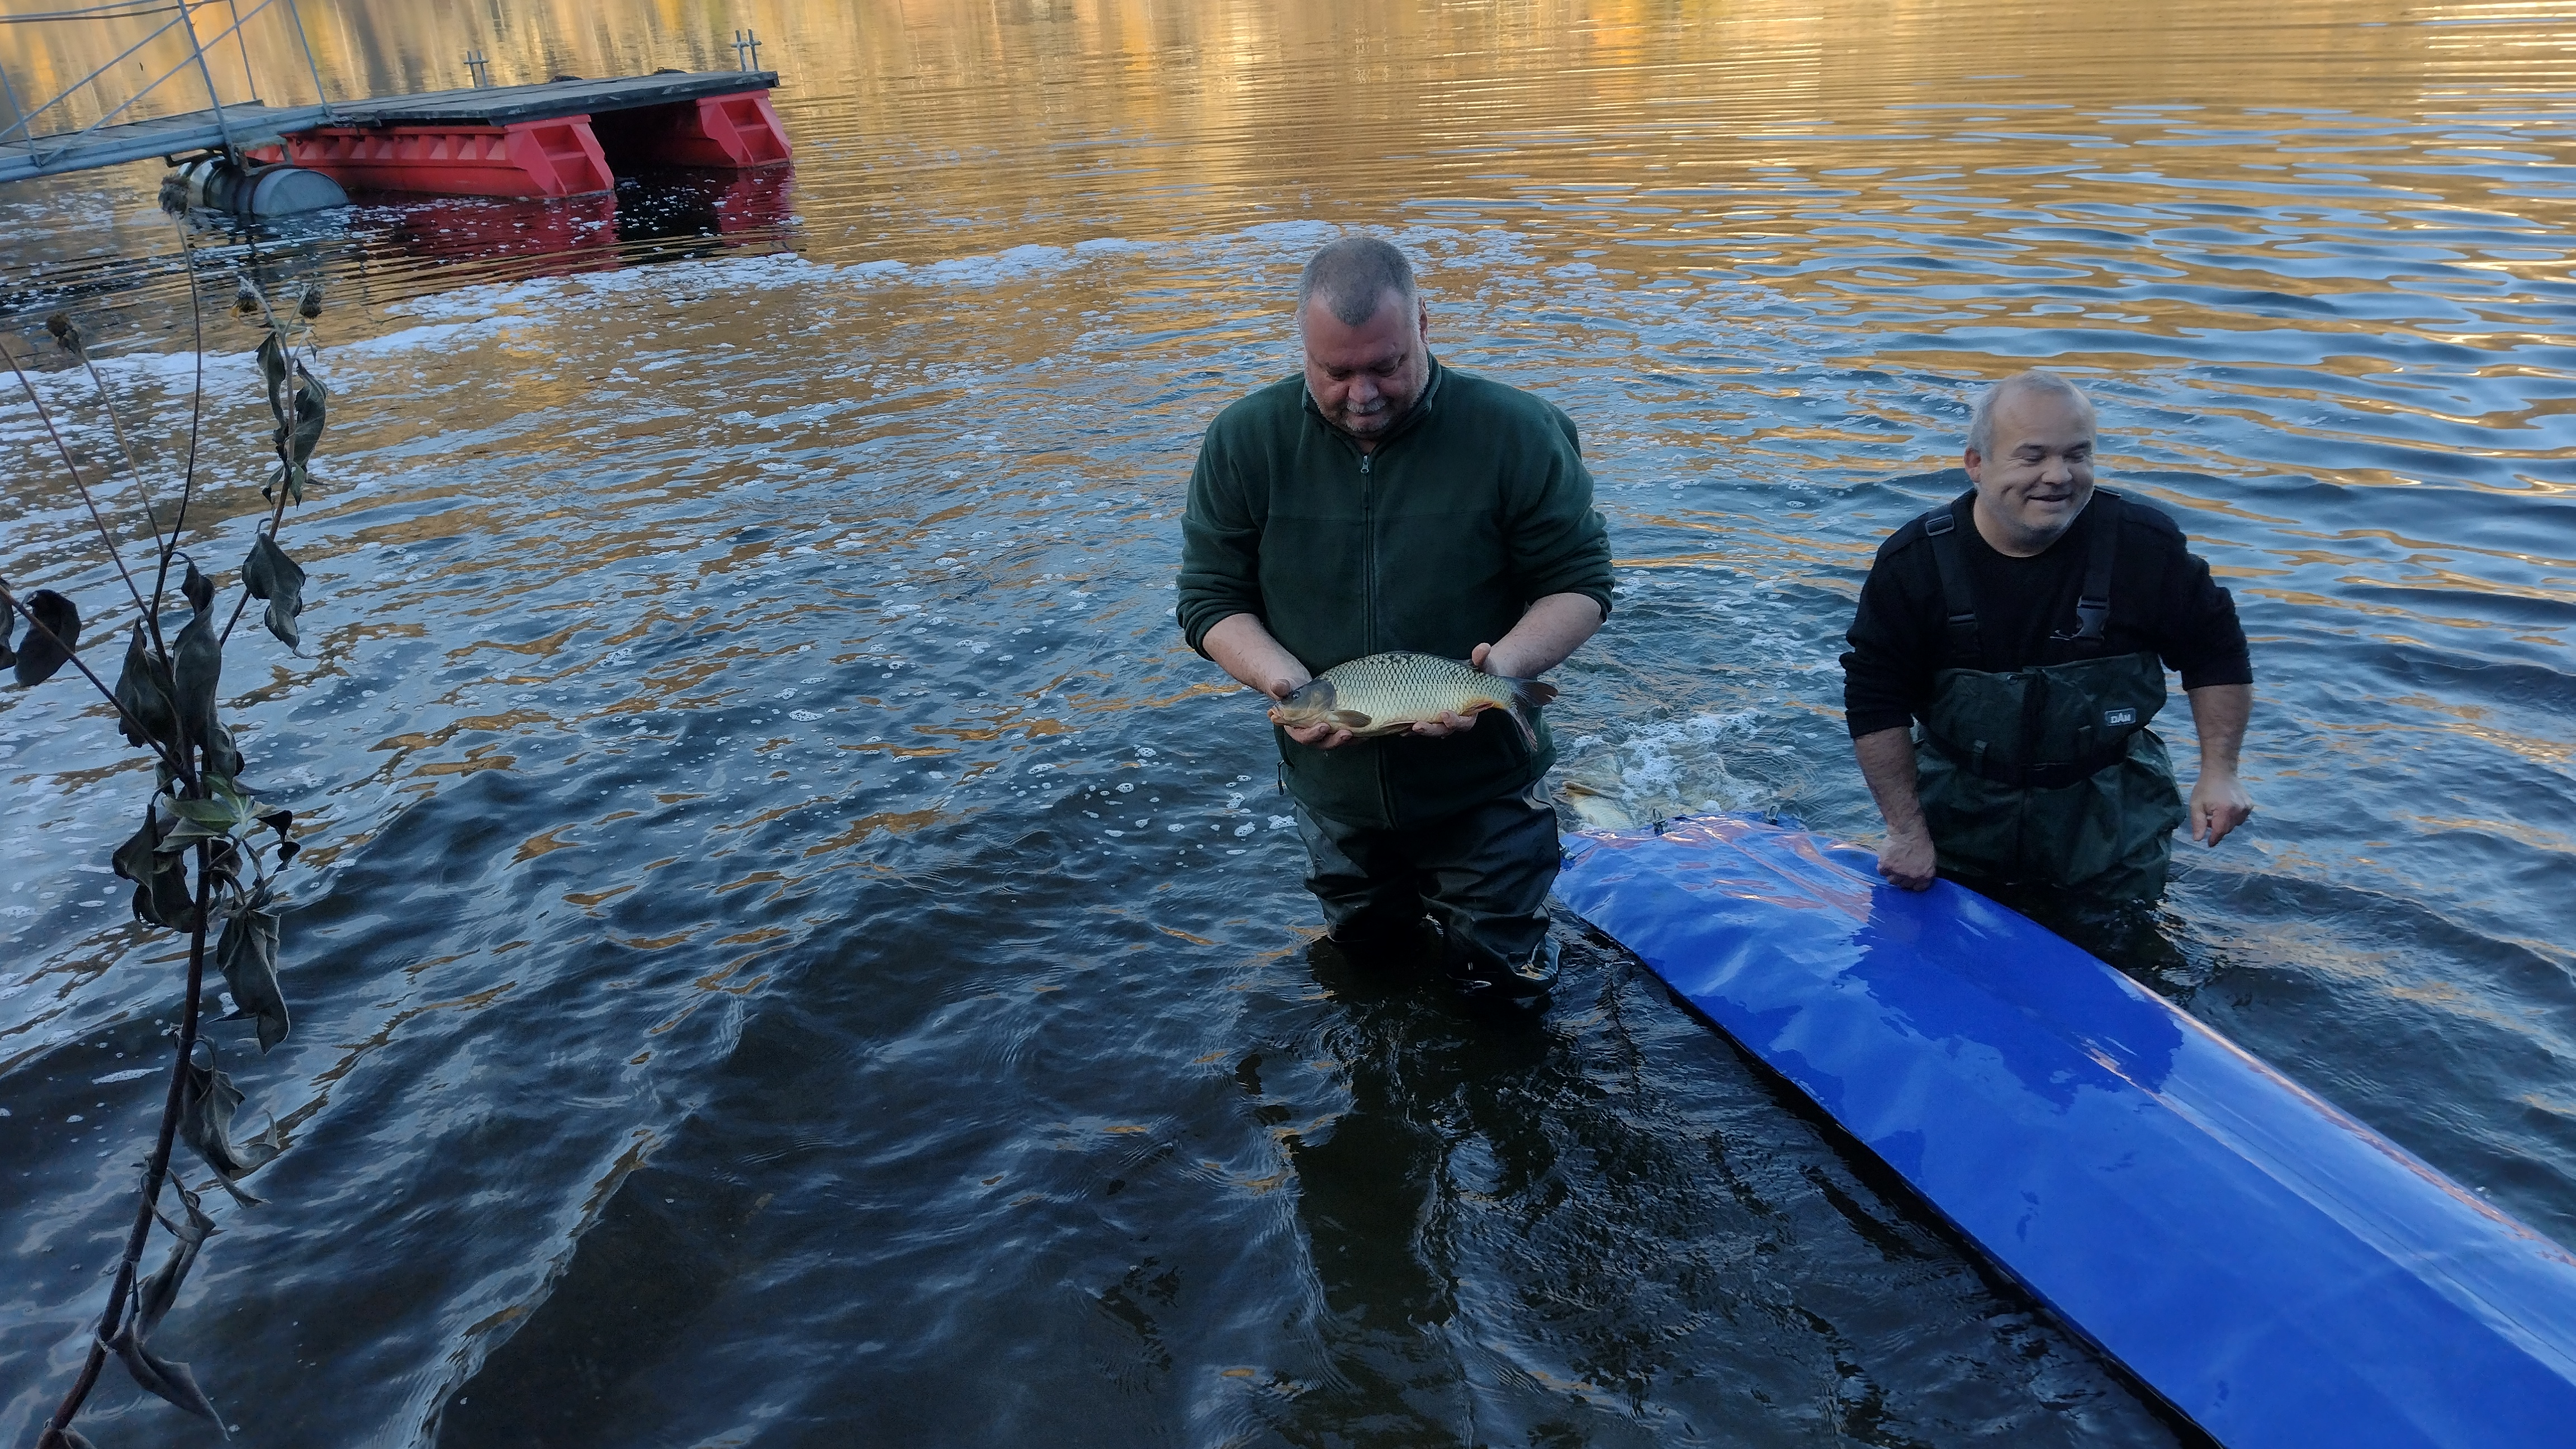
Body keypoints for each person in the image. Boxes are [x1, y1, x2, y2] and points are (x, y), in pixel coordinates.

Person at [1176, 236, 1613, 1006]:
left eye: (1386, 366)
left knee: (1502, 988)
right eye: (1335, 373)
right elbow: (1211, 600)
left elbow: (1579, 586)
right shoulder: (1245, 442)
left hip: (1482, 788)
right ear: (1303, 349)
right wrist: (1288, 687)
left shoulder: (1519, 431)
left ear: (1425, 328)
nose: (1363, 394)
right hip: (1333, 793)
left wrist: (1498, 674)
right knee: (1368, 973)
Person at [1841, 368, 2255, 901]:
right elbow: (1875, 698)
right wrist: (1905, 832)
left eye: (2077, 455)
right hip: (1959, 815)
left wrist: (2220, 772)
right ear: (1976, 463)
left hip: (2112, 821)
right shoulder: (1913, 564)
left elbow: (2215, 650)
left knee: (2133, 962)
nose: (2058, 475)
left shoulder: (2145, 546)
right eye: (2032, 456)